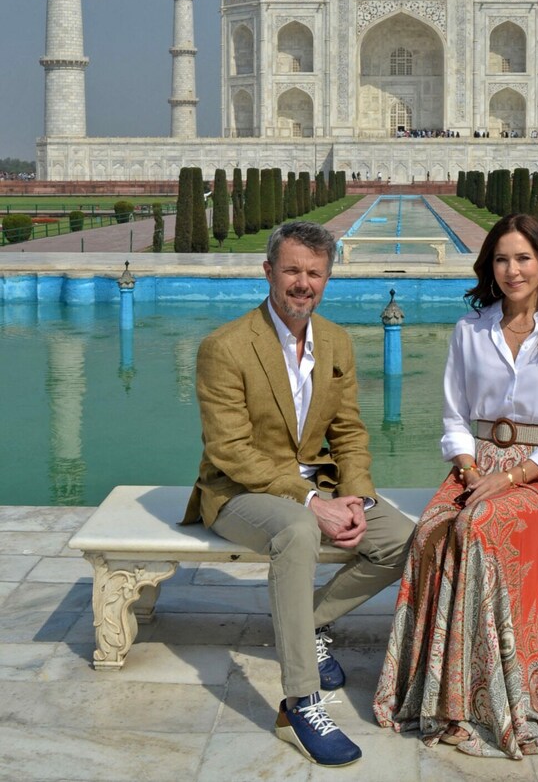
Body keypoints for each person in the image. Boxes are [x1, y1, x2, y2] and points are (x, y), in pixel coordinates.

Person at [182, 221, 415, 767]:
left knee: (409, 539)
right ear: (268, 272)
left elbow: (351, 432)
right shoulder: (226, 347)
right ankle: (300, 703)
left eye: (314, 273)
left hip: (321, 484)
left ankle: (305, 621)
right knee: (297, 528)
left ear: (327, 279)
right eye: (292, 270)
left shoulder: (335, 341)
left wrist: (354, 496)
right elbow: (229, 450)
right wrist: (312, 502)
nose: (302, 283)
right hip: (240, 490)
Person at [374, 213, 538, 759]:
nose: (512, 269)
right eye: (502, 259)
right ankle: (440, 685)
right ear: (489, 266)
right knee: (433, 528)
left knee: (478, 524)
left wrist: (511, 476)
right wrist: (472, 468)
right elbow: (454, 415)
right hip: (476, 465)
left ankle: (491, 688)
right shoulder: (470, 330)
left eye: (524, 258)